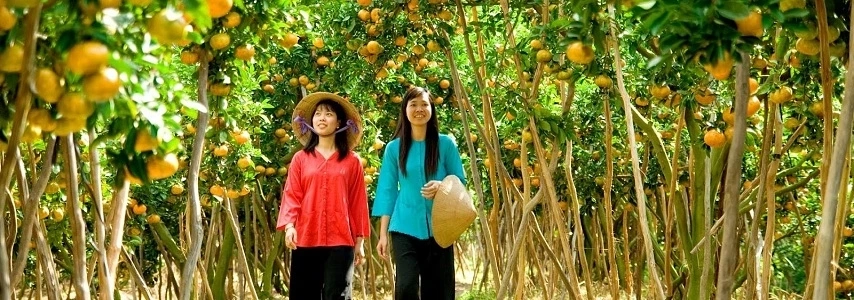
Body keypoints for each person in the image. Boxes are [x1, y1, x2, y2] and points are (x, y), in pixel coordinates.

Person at [372, 86, 467, 300]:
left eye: (424, 104)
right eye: (413, 104)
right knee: (405, 287)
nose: (419, 109)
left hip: (441, 227)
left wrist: (443, 186)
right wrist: (383, 234)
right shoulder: (394, 148)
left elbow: (460, 181)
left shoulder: (446, 144)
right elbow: (387, 190)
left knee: (439, 291)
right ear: (405, 110)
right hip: (404, 226)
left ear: (431, 108)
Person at [276, 92, 370, 300]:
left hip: (341, 240)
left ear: (338, 123)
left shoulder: (352, 161)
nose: (321, 118)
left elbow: (357, 202)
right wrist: (290, 226)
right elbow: (292, 194)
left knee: (337, 294)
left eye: (328, 114)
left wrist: (360, 241)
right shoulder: (300, 159)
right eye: (318, 114)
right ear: (311, 122)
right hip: (306, 238)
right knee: (304, 294)